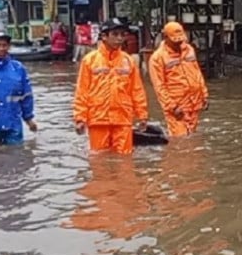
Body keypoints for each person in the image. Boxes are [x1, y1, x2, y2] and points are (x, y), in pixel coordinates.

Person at [73, 19, 149, 154]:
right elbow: (82, 91)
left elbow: (137, 90)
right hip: (98, 120)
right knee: (100, 162)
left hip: (123, 119)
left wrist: (142, 115)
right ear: (104, 36)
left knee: (125, 162)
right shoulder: (89, 61)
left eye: (122, 34)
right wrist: (80, 118)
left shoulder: (128, 61)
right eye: (115, 34)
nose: (119, 38)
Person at [149, 21, 208, 136]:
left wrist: (204, 95)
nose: (179, 43)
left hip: (194, 103)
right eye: (175, 40)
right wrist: (172, 107)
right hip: (177, 107)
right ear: (166, 37)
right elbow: (159, 87)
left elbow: (197, 73)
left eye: (181, 39)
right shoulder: (157, 58)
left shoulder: (189, 49)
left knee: (192, 138)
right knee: (180, 140)